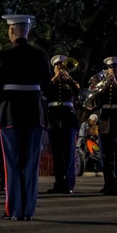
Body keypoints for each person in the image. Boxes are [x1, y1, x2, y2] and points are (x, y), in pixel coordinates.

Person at [0, 14, 51, 220]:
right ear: (27, 31)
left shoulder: (3, 54)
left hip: (10, 113)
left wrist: (3, 102)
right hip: (34, 111)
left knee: (12, 163)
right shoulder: (40, 54)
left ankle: (14, 210)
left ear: (11, 31)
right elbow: (47, 85)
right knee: (31, 163)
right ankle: (28, 211)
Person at [89, 56, 117, 197]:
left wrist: (116, 84)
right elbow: (94, 103)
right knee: (105, 156)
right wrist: (96, 89)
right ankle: (108, 184)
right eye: (110, 68)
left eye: (116, 67)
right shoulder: (102, 84)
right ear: (107, 70)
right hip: (104, 122)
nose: (113, 70)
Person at [45, 55, 81, 194]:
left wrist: (69, 78)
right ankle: (59, 182)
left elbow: (77, 91)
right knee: (57, 153)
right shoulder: (51, 82)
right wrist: (55, 78)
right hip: (54, 118)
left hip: (68, 118)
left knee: (68, 152)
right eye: (57, 66)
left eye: (62, 66)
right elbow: (45, 90)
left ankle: (69, 183)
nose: (60, 68)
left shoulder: (70, 82)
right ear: (53, 68)